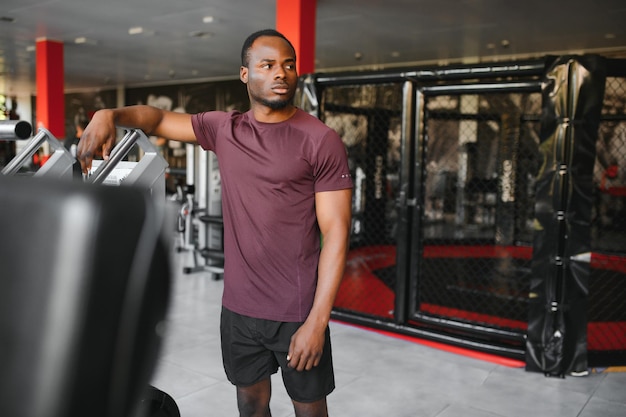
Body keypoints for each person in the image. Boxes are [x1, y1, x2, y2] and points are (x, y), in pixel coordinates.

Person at [77, 29, 353, 417]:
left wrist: (317, 321)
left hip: (297, 311)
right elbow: (155, 118)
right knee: (250, 405)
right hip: (239, 309)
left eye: (289, 65)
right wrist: (108, 115)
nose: (281, 73)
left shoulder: (319, 140)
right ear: (245, 74)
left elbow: (336, 234)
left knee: (309, 410)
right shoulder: (224, 128)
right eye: (268, 65)